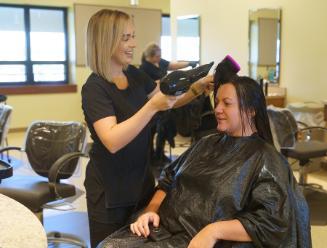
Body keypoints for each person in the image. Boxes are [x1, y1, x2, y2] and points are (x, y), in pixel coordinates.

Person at [98, 75, 311, 248]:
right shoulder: (207, 143)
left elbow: (272, 222)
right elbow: (168, 179)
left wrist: (213, 231)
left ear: (251, 110)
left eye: (227, 103)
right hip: (165, 229)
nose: (217, 109)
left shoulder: (265, 158)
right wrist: (150, 211)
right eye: (217, 101)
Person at [81, 9, 213, 248]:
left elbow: (166, 100)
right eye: (125, 38)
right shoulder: (95, 88)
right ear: (105, 40)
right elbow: (112, 140)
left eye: (133, 36)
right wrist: (151, 106)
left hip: (141, 183)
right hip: (109, 192)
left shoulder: (133, 74)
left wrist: (196, 88)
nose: (133, 44)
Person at [139, 43, 199, 165]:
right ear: (151, 56)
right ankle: (150, 158)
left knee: (164, 129)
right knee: (151, 132)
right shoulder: (144, 68)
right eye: (158, 55)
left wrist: (190, 63)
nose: (160, 57)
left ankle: (159, 154)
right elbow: (148, 86)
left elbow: (172, 65)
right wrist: (163, 81)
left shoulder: (159, 62)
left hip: (164, 103)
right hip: (152, 103)